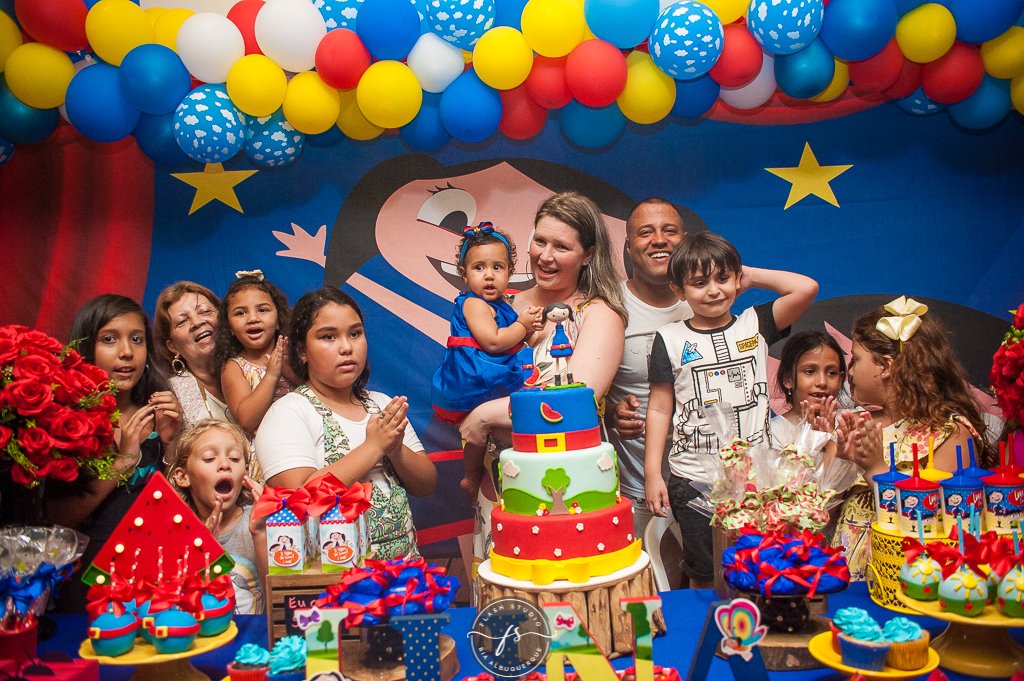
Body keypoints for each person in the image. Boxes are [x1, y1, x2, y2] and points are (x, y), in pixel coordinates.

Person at [644, 232, 818, 589]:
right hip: (694, 478)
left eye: (722, 278)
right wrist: (652, 474)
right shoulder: (669, 338)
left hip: (757, 478)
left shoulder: (755, 323)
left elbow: (806, 288)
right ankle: (711, 635)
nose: (713, 291)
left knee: (758, 562)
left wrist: (749, 275)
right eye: (699, 282)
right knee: (706, 571)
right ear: (679, 290)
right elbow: (660, 409)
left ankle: (751, 633)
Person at [255, 287, 437, 560]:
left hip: (406, 577)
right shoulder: (288, 412)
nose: (347, 347)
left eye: (355, 333)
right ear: (302, 351)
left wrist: (396, 449)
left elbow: (426, 484)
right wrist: (374, 446)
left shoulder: (381, 403)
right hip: (335, 588)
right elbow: (299, 502)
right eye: (329, 336)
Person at [830, 298, 990, 578]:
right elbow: (823, 517)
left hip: (912, 584)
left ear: (886, 366)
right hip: (847, 584)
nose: (849, 371)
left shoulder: (949, 434)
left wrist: (876, 469)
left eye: (855, 359)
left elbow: (947, 530)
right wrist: (837, 465)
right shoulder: (859, 425)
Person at [47, 294, 183, 612]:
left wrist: (171, 443)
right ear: (86, 348)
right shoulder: (65, 420)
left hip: (155, 583)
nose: (126, 352)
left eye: (137, 339)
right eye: (109, 339)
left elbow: (180, 508)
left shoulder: (158, 412)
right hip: (85, 588)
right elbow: (56, 518)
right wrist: (123, 461)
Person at [604, 198, 692, 550]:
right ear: (628, 246)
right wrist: (611, 415)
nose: (659, 240)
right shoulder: (609, 308)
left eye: (669, 231)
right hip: (638, 491)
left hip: (706, 488)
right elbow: (582, 391)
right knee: (650, 594)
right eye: (645, 233)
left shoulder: (708, 301)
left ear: (685, 239)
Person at [431, 223, 541, 501]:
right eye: (479, 267)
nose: (489, 276)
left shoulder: (502, 304)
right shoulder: (473, 304)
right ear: (464, 274)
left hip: (487, 372)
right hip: (473, 375)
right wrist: (523, 325)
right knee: (477, 431)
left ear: (510, 272)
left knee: (486, 431)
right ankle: (470, 477)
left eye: (497, 267)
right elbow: (492, 341)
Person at [165, 420, 266, 615]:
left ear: (246, 472)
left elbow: (275, 601)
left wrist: (260, 533)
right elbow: (176, 608)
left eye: (235, 458)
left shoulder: (259, 523)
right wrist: (203, 549)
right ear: (183, 476)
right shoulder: (177, 533)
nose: (225, 465)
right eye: (210, 458)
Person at [215, 271, 293, 483]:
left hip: (301, 445)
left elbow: (316, 395)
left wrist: (291, 371)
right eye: (240, 313)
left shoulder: (294, 357)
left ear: (278, 320)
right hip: (264, 459)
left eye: (263, 309)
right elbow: (247, 419)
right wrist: (271, 375)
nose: (253, 318)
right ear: (229, 328)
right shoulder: (233, 367)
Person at [154, 282, 232, 426]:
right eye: (182, 321)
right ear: (172, 346)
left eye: (204, 311)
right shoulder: (173, 395)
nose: (197, 322)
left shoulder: (259, 366)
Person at [770, 330, 848, 445]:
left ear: (841, 380)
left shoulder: (850, 422)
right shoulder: (774, 432)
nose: (822, 382)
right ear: (788, 379)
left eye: (831, 373)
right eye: (810, 371)